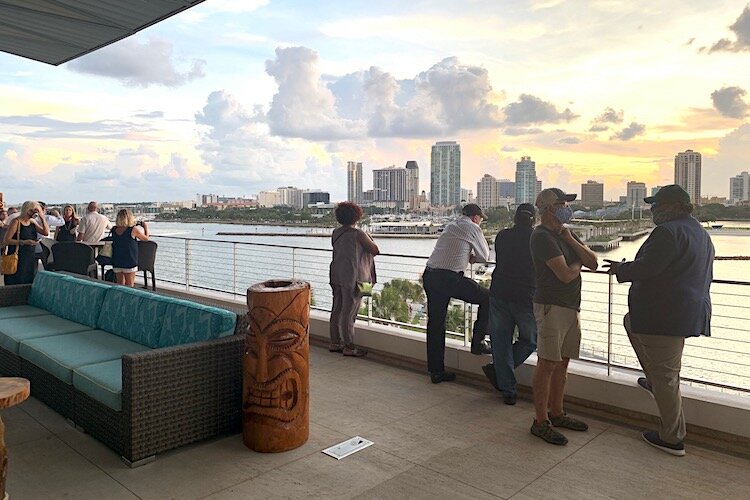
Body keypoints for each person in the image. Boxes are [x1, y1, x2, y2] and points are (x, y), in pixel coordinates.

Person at [605, 185, 714, 457]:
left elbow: (649, 267)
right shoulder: (700, 234)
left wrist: (621, 269)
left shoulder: (667, 232)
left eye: (658, 205)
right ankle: (652, 379)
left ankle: (673, 437)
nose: (653, 210)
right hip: (684, 312)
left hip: (663, 315)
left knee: (667, 376)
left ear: (675, 206)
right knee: (631, 323)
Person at [529, 188, 598, 445]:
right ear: (548, 209)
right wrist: (577, 262)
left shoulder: (566, 235)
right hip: (551, 306)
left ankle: (557, 413)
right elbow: (566, 275)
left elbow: (594, 262)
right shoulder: (541, 237)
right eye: (560, 204)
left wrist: (570, 240)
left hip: (571, 307)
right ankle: (540, 421)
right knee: (547, 363)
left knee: (563, 363)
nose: (565, 208)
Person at [423, 203, 491, 384]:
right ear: (476, 218)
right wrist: (473, 258)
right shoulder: (473, 227)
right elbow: (485, 256)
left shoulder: (452, 225)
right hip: (449, 278)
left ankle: (436, 371)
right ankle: (478, 343)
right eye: (481, 220)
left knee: (436, 324)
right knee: (488, 299)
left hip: (430, 275)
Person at [484, 203, 538, 405]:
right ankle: (500, 372)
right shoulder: (536, 238)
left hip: (499, 292)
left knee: (500, 341)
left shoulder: (502, 236)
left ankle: (507, 388)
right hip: (525, 296)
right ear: (533, 219)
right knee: (531, 340)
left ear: (515, 218)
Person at [328, 202, 379, 357]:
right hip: (355, 278)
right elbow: (375, 250)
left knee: (337, 309)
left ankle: (335, 342)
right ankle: (349, 346)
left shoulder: (336, 232)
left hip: (336, 274)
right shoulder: (358, 234)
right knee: (349, 313)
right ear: (356, 216)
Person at [2, 201, 49, 285]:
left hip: (29, 257)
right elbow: (6, 240)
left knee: (28, 280)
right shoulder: (16, 221)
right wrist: (24, 242)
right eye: (33, 211)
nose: (34, 213)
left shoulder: (32, 222)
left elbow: (45, 232)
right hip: (17, 256)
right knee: (17, 281)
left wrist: (42, 218)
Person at [111, 209, 149, 287]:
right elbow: (145, 239)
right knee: (130, 285)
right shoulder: (133, 230)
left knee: (119, 284)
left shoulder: (114, 229)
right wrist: (145, 227)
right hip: (129, 261)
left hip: (117, 260)